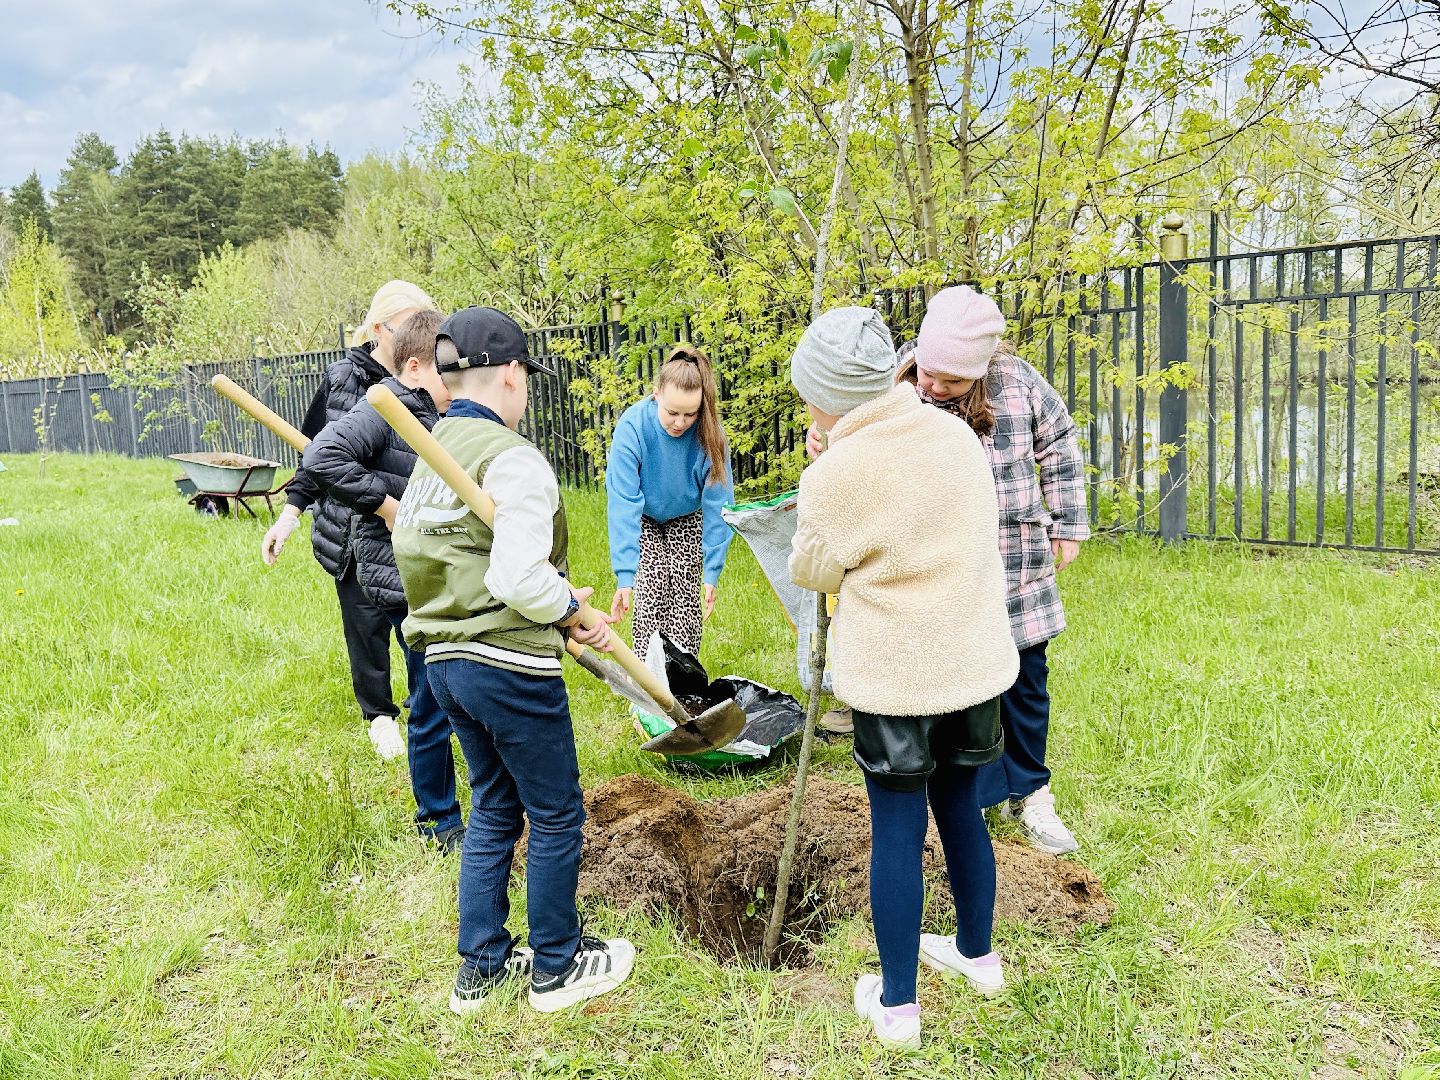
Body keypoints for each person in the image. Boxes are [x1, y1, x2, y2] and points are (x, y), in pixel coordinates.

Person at [391, 306, 635, 1016]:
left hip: (445, 662)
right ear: (510, 375)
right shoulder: (513, 458)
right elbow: (516, 579)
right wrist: (566, 609)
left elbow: (459, 558)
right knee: (555, 814)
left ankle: (481, 967)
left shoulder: (434, 458)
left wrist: (563, 600)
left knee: (495, 805)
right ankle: (558, 965)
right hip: (507, 664)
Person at [787, 306, 1019, 1050]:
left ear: (826, 396)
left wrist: (821, 471)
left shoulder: (835, 474)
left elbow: (814, 569)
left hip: (897, 680)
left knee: (896, 832)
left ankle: (897, 1009)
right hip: (974, 667)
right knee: (962, 810)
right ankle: (978, 956)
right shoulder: (955, 437)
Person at [807, 286, 1090, 856]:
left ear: (981, 370)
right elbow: (853, 436)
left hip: (1012, 559)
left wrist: (1068, 523)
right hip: (937, 571)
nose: (933, 387)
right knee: (961, 691)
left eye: (951, 381)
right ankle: (969, 796)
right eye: (928, 373)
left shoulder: (1020, 385)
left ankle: (1031, 790)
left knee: (1025, 682)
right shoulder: (895, 381)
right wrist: (828, 443)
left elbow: (1059, 446)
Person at [300, 309, 465, 853]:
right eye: (445, 370)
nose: (455, 381)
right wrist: (388, 507)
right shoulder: (385, 405)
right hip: (398, 575)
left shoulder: (439, 412)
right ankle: (439, 821)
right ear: (414, 367)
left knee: (444, 689)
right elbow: (322, 455)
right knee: (429, 698)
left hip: (433, 571)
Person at [261, 280, 438, 760]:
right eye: (405, 325)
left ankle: (428, 713)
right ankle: (379, 717)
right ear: (379, 329)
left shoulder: (428, 380)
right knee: (365, 629)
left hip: (411, 531)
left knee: (419, 630)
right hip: (350, 532)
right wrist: (289, 516)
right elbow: (315, 454)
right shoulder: (344, 379)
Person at [605, 345, 733, 659]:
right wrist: (625, 576)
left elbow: (718, 506)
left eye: (690, 414)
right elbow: (624, 503)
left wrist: (711, 572)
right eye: (672, 412)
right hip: (644, 516)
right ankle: (647, 680)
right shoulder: (633, 428)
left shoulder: (710, 436)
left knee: (684, 596)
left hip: (687, 515)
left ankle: (682, 680)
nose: (680, 422)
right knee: (652, 587)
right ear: (656, 394)